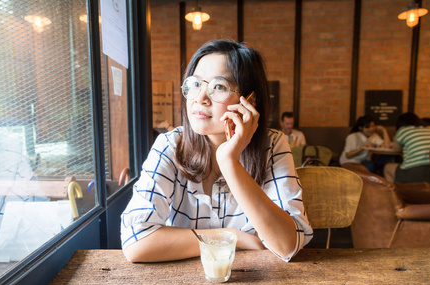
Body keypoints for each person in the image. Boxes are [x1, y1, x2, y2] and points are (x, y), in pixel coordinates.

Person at [121, 40, 313, 263]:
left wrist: (229, 161)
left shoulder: (272, 144)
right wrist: (230, 237)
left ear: (250, 100)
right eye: (195, 84)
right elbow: (136, 242)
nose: (200, 98)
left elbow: (286, 245)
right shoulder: (170, 145)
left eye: (219, 87)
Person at [384, 112, 430, 183]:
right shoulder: (429, 129)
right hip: (429, 172)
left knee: (387, 168)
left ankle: (393, 193)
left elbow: (396, 149)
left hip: (412, 173)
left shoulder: (403, 130)